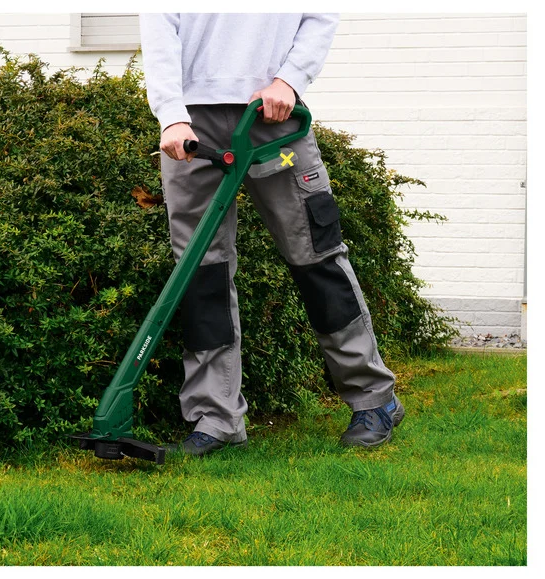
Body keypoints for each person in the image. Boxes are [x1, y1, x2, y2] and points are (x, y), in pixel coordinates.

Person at [138, 13, 404, 455]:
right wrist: (170, 115)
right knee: (202, 274)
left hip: (273, 112)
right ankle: (215, 417)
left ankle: (374, 399)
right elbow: (159, 28)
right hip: (190, 123)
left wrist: (289, 79)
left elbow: (320, 14)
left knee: (316, 256)